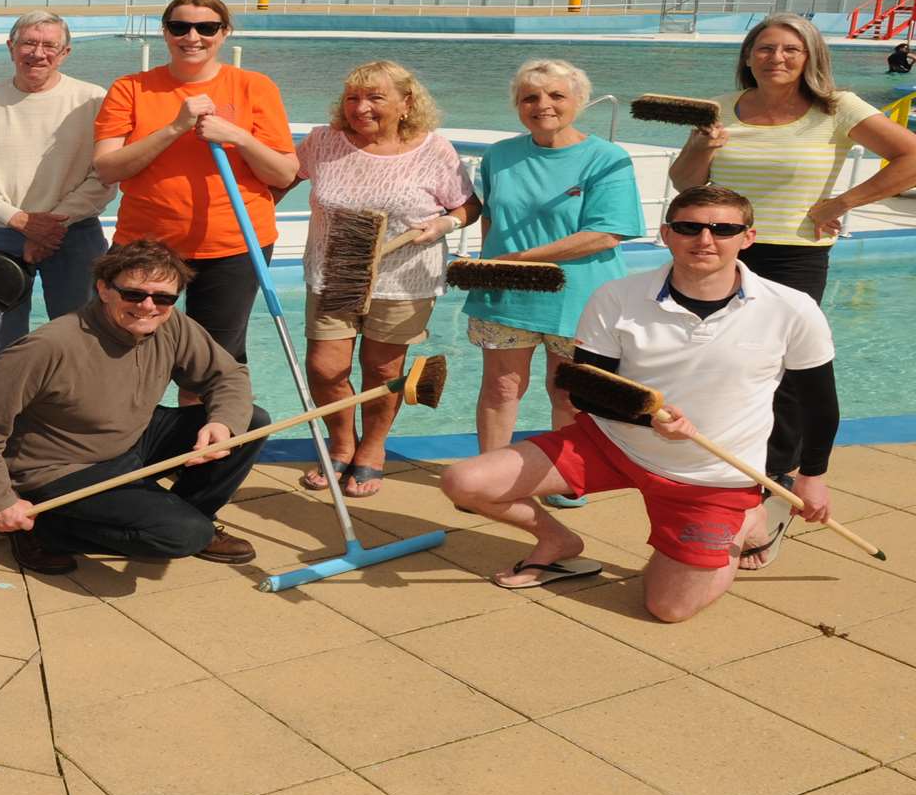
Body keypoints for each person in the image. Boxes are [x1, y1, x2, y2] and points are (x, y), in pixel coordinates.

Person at [441, 186, 839, 622]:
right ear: (666, 234)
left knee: (668, 607)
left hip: (713, 473)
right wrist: (650, 419)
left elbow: (818, 404)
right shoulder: (617, 297)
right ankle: (557, 542)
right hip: (613, 444)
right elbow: (584, 391)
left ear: (748, 237)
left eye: (723, 229)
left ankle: (749, 516)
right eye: (690, 227)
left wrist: (812, 478)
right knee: (465, 481)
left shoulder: (792, 309)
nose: (705, 239)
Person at [670, 13, 916, 565]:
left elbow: (912, 157)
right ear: (748, 54)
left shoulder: (838, 108)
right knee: (716, 364)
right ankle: (726, 480)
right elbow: (686, 183)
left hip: (795, 255)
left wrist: (844, 203)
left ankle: (773, 497)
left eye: (789, 49)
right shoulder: (720, 106)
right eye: (764, 48)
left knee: (785, 377)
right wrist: (705, 145)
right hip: (722, 250)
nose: (775, 58)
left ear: (810, 57)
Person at [0, 239, 266, 575]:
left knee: (249, 423)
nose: (148, 306)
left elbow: (228, 376)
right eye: (133, 294)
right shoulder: (48, 346)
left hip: (131, 438)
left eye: (163, 298)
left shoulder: (171, 324)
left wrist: (223, 423)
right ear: (103, 289)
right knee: (184, 536)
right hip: (59, 467)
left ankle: (190, 514)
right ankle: (44, 527)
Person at [464, 60, 642, 508]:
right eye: (530, 97)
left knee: (567, 392)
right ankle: (490, 480)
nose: (542, 105)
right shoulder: (500, 155)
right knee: (501, 389)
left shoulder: (607, 159)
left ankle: (564, 478)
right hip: (506, 295)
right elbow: (491, 219)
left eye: (556, 96)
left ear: (578, 102)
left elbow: (606, 233)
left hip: (579, 297)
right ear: (517, 106)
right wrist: (493, 270)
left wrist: (520, 260)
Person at [92, 0, 297, 376]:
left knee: (212, 365)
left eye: (206, 27)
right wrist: (175, 128)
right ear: (165, 32)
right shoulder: (130, 88)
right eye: (179, 27)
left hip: (234, 245)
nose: (192, 37)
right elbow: (107, 168)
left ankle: (211, 436)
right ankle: (132, 435)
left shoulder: (254, 87)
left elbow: (283, 174)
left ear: (225, 33)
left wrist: (239, 137)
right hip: (145, 246)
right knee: (122, 358)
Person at [295, 61, 474, 498]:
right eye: (353, 97)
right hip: (335, 274)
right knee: (325, 367)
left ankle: (372, 449)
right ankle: (341, 440)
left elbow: (467, 205)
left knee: (382, 369)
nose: (361, 108)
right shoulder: (323, 141)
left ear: (406, 103)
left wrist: (444, 227)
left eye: (375, 97)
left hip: (405, 279)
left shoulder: (434, 150)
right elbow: (277, 181)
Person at [0, 10, 114, 357]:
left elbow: (103, 175)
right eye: (28, 43)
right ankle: (4, 408)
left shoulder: (93, 101)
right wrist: (21, 221)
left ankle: (70, 407)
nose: (38, 53)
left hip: (73, 232)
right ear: (11, 47)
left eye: (49, 45)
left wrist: (51, 226)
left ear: (65, 53)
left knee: (80, 333)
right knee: (4, 341)